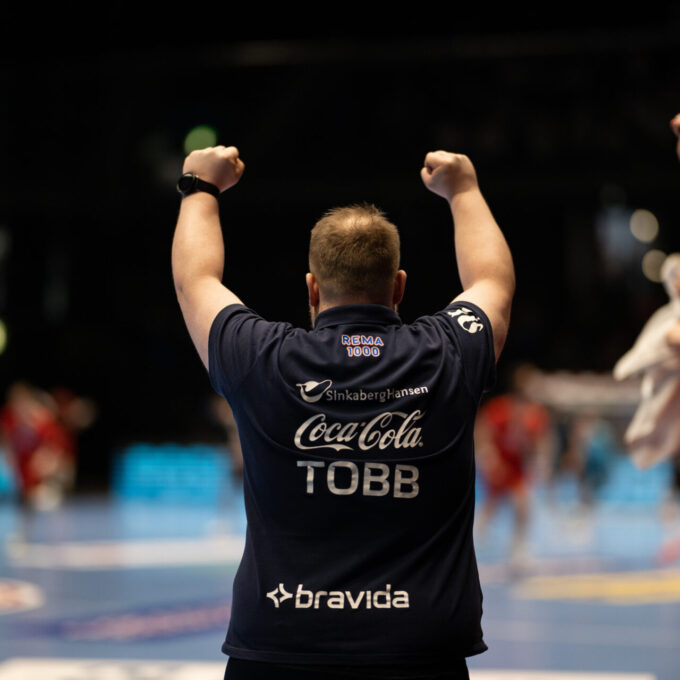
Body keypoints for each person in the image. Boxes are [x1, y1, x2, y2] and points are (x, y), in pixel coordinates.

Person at [172, 145, 514, 680]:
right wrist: (463, 190)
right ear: (399, 287)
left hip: (279, 647)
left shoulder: (262, 356)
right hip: (421, 650)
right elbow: (492, 283)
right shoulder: (448, 352)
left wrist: (200, 186)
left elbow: (195, 281)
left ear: (311, 289)